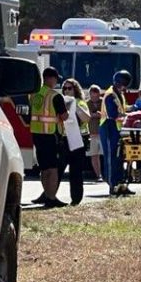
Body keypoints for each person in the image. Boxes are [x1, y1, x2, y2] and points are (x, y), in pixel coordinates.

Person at [29, 66, 68, 208]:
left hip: (36, 134)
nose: (56, 82)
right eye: (56, 79)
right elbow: (64, 116)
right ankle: (51, 197)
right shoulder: (54, 96)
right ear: (51, 79)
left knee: (44, 168)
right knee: (53, 169)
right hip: (51, 135)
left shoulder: (34, 94)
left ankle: (46, 194)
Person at [99, 70, 135, 196]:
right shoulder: (110, 95)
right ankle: (112, 185)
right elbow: (114, 114)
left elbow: (122, 109)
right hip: (108, 127)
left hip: (116, 129)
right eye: (123, 85)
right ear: (118, 83)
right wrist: (129, 116)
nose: (124, 88)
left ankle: (120, 184)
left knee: (119, 157)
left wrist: (135, 107)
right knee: (111, 157)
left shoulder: (118, 94)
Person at [57, 78, 90, 206]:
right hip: (65, 139)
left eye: (69, 88)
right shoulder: (61, 102)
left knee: (75, 170)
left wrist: (75, 106)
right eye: (64, 88)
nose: (66, 91)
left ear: (75, 90)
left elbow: (86, 118)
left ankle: (76, 199)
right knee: (58, 168)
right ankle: (49, 195)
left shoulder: (80, 102)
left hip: (79, 139)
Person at [86, 85, 103, 181]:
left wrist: (100, 115)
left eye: (96, 96)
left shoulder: (104, 102)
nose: (94, 98)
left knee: (106, 155)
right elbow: (86, 115)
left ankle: (107, 174)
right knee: (94, 155)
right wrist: (93, 115)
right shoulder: (86, 104)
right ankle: (98, 175)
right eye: (92, 96)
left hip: (103, 133)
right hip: (92, 134)